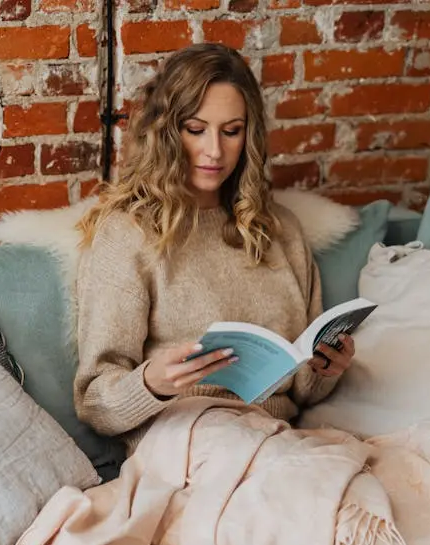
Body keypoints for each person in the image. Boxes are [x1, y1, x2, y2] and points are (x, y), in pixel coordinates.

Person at [74, 42, 355, 453]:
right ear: (168, 131)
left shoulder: (281, 232)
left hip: (275, 440)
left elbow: (304, 393)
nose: (214, 151)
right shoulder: (128, 234)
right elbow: (95, 402)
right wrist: (152, 382)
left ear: (249, 135)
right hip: (187, 442)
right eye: (195, 129)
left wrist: (328, 369)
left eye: (231, 131)